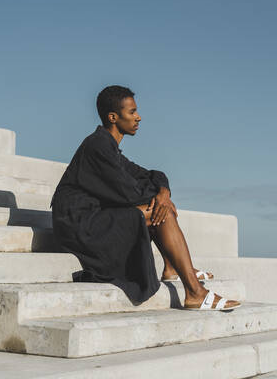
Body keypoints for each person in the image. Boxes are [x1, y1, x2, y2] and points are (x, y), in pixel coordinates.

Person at [51, 85, 240, 310]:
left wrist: (163, 192)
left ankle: (172, 268)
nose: (138, 117)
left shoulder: (111, 149)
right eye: (132, 112)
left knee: (160, 205)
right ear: (113, 117)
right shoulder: (97, 146)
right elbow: (127, 193)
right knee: (162, 211)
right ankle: (195, 292)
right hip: (80, 225)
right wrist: (162, 200)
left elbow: (151, 175)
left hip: (95, 219)